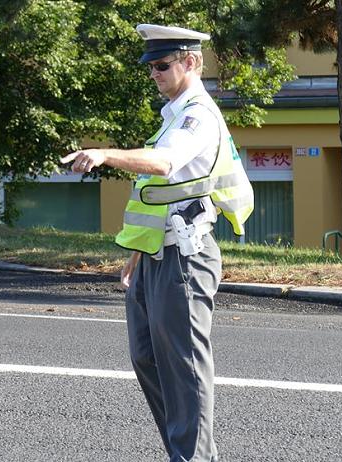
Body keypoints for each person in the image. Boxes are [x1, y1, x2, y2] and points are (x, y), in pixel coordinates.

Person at [61, 23, 253, 462]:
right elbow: (161, 201)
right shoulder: (171, 118)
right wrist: (136, 254)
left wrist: (106, 154)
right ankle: (184, 453)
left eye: (163, 65)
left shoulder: (198, 117)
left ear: (192, 61)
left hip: (186, 259)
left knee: (184, 367)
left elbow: (164, 166)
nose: (155, 74)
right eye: (150, 66)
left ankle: (193, 458)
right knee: (147, 357)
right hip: (155, 255)